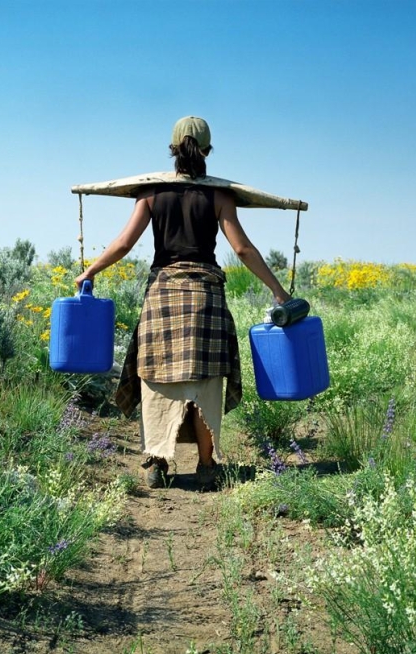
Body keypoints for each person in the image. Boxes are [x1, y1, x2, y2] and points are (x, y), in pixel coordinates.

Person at [74, 116, 290, 489]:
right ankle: (207, 467)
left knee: (158, 379)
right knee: (205, 381)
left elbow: (124, 244)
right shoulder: (221, 197)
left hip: (163, 296)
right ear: (207, 151)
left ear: (173, 150)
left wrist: (90, 271)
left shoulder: (151, 195)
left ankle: (156, 463)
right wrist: (278, 290)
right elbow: (242, 248)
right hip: (206, 298)